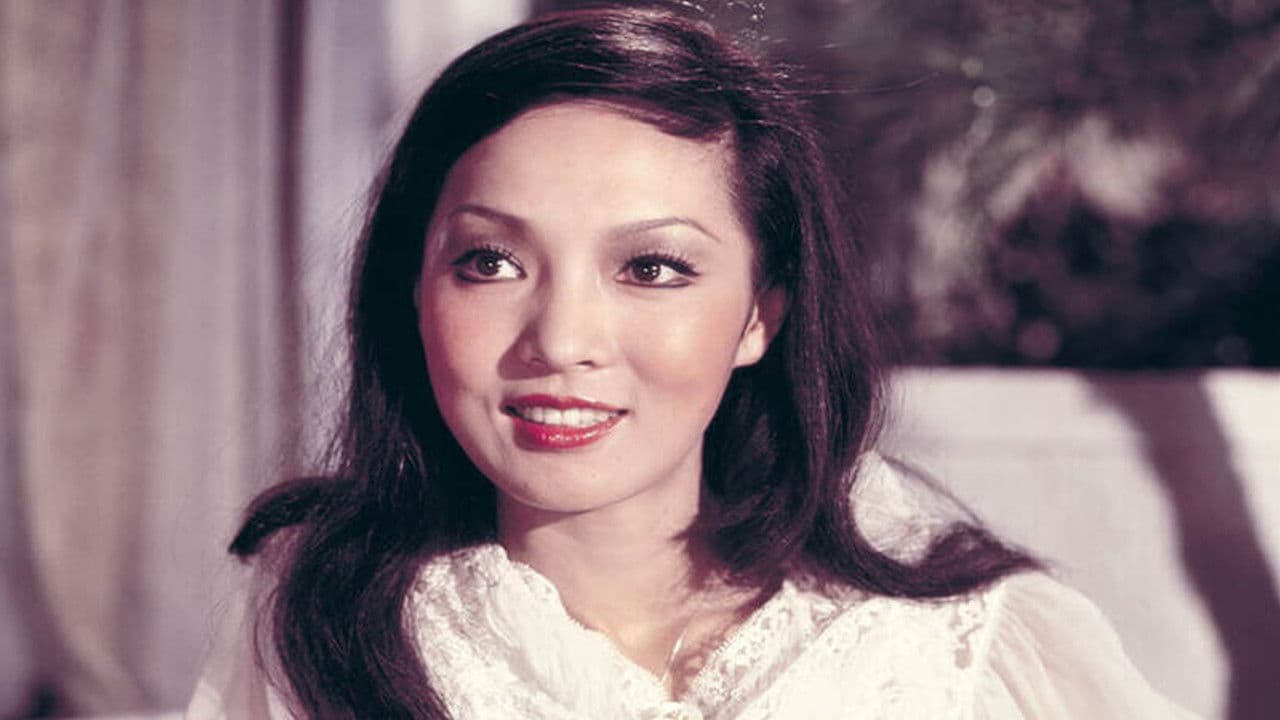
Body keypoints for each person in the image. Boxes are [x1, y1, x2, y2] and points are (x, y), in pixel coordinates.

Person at [185, 7, 1197, 719]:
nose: (560, 340)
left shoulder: (965, 649)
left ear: (759, 316)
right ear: (413, 291)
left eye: (651, 268)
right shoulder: (316, 619)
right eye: (490, 262)